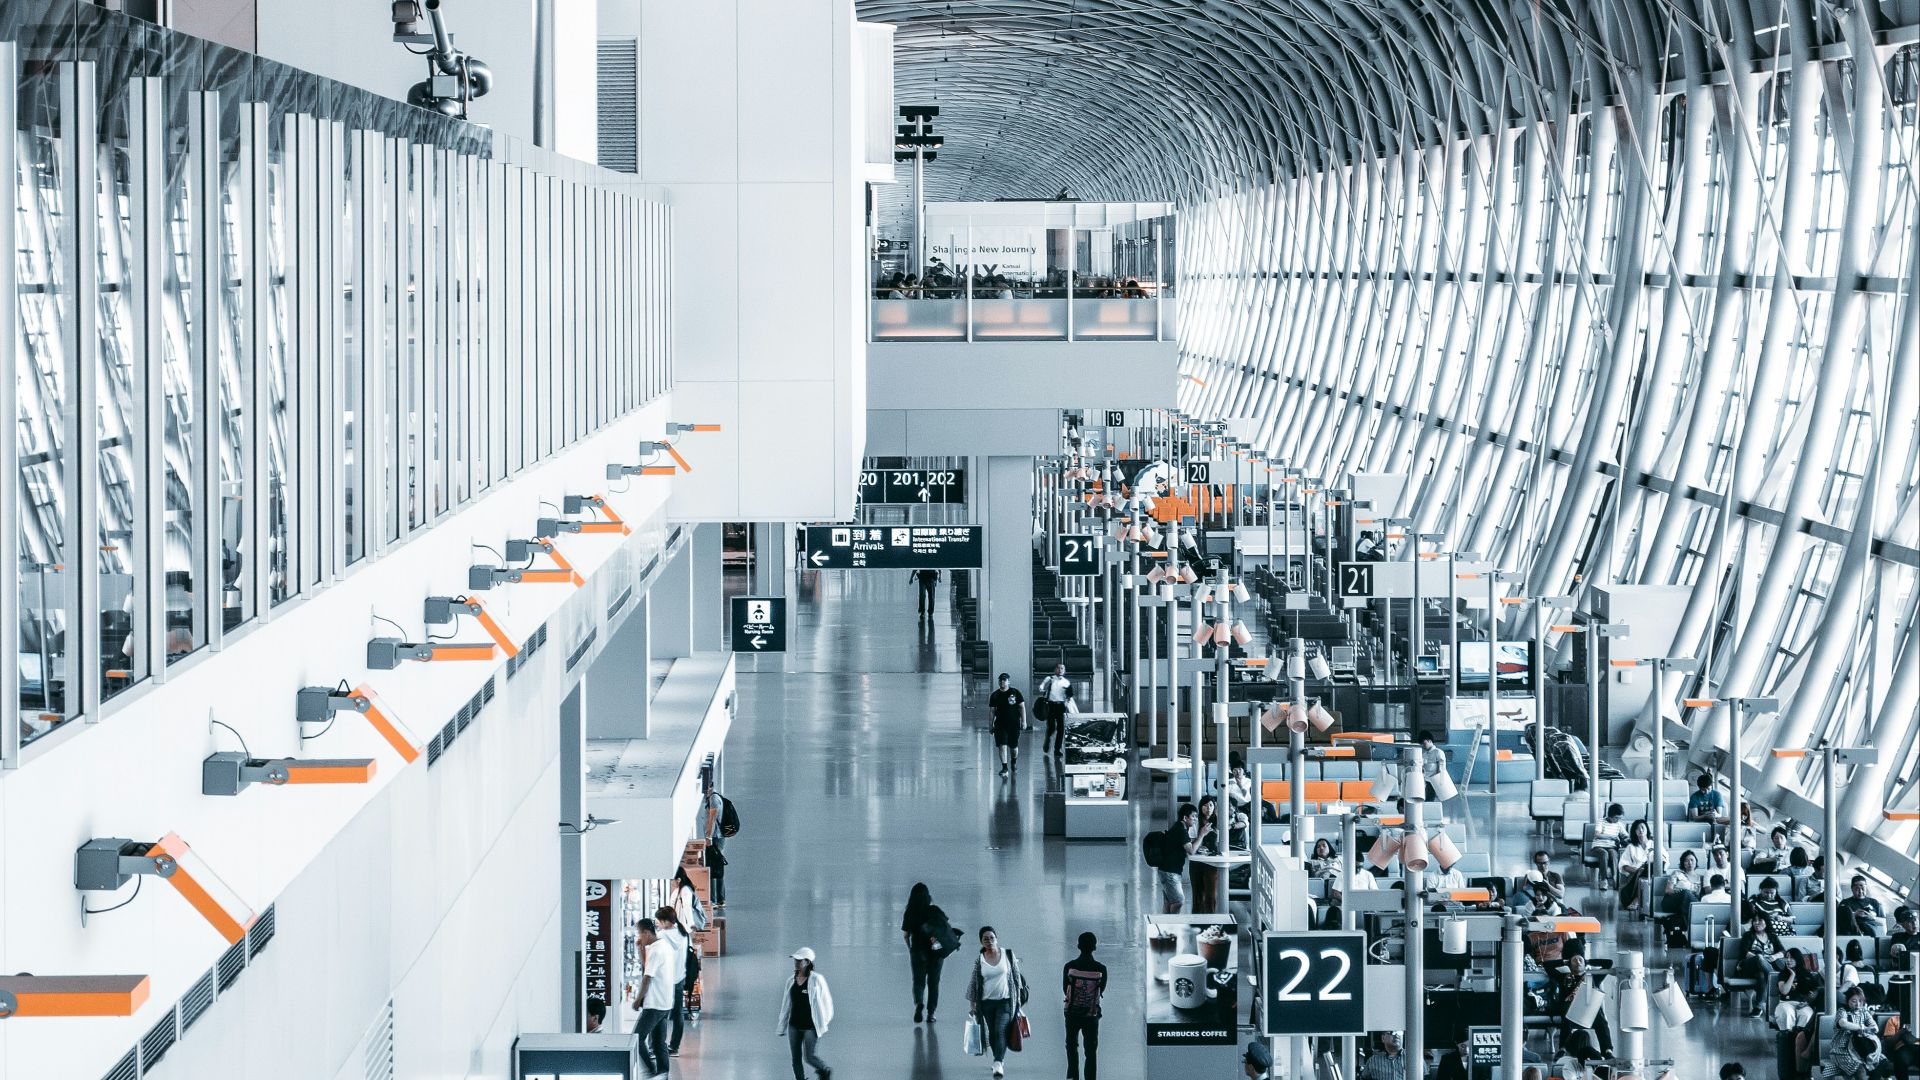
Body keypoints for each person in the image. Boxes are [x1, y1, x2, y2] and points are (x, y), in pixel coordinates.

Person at [965, 927, 1028, 1078]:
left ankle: (998, 1062)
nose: (989, 941)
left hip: (1006, 1002)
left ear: (996, 939)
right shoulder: (980, 960)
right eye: (985, 939)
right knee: (993, 1033)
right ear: (981, 941)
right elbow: (974, 982)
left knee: (1000, 1030)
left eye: (992, 938)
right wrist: (973, 1003)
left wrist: (1018, 1000)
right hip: (986, 1004)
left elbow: (1016, 978)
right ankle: (998, 1058)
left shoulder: (1008, 955)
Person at [775, 947, 834, 1080]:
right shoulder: (791, 981)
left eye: (799, 960)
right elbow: (786, 1005)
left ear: (807, 962)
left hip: (810, 1027)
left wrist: (823, 1021)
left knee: (809, 1057)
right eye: (795, 960)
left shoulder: (817, 980)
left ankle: (824, 1070)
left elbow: (827, 1003)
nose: (796, 963)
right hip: (794, 1026)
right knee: (796, 1058)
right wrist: (782, 1026)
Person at [902, 882, 957, 1023]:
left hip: (918, 952)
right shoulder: (935, 911)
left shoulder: (910, 912)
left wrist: (910, 949)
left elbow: (906, 935)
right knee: (934, 983)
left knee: (918, 982)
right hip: (936, 952)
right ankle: (931, 1013)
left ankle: (919, 1002)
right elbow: (945, 928)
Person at [631, 919, 673, 1077]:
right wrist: (641, 949)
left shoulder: (655, 950)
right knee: (658, 1042)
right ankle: (663, 1072)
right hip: (665, 1002)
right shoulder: (663, 946)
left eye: (640, 933)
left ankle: (650, 1071)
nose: (639, 936)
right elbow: (647, 966)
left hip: (654, 1004)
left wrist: (637, 999)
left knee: (637, 1038)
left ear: (646, 932)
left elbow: (647, 977)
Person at [1063, 932, 1107, 1080]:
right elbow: (1102, 990)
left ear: (1078, 946)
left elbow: (1065, 989)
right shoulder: (1101, 968)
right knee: (1090, 1050)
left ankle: (1072, 1076)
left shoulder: (1069, 966)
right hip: (1091, 1015)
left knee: (1071, 1046)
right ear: (1094, 947)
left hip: (1072, 1014)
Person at [1552, 954, 1613, 1057]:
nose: (1578, 962)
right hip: (1570, 1010)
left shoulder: (1593, 977)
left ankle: (1607, 1051)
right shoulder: (1563, 977)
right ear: (1570, 965)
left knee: (1601, 1020)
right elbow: (1547, 966)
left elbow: (1608, 963)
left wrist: (1588, 961)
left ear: (1584, 964)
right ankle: (1562, 1049)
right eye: (1574, 960)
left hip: (1589, 1011)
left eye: (1580, 960)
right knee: (1567, 1018)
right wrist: (1564, 962)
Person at [654, 906, 691, 1056]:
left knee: (659, 1013)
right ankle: (674, 1046)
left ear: (665, 921)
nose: (657, 923)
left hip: (665, 980)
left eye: (658, 920)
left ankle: (656, 1046)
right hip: (680, 978)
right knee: (678, 1014)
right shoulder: (684, 934)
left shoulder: (661, 936)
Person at [1160, 803, 1197, 914]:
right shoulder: (1181, 830)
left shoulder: (1178, 828)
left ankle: (1165, 925)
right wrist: (1202, 835)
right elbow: (1191, 850)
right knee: (1178, 901)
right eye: (1193, 816)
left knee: (1169, 902)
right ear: (1185, 818)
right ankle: (1171, 925)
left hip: (1166, 870)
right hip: (1170, 872)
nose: (1195, 819)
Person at [988, 673, 1026, 776]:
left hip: (1014, 724)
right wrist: (990, 725)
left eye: (1004, 680)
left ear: (1009, 681)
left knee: (1013, 747)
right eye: (1000, 680)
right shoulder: (995, 695)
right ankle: (1004, 768)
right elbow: (992, 711)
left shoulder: (1015, 693)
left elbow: (1021, 707)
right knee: (1002, 745)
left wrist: (1024, 721)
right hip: (1000, 724)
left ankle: (1013, 761)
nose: (1002, 682)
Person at [1659, 848, 1702, 936]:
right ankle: (1688, 931)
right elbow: (1668, 890)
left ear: (1696, 862)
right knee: (1686, 893)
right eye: (1686, 861)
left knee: (1688, 899)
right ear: (1683, 863)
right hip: (1672, 901)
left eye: (1692, 860)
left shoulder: (1701, 878)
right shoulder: (1677, 874)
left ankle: (1681, 930)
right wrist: (1681, 892)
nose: (1690, 863)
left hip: (1689, 905)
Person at [1616, 819, 1655, 914]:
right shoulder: (1631, 847)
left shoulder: (1654, 844)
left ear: (1647, 829)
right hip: (1635, 874)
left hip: (1652, 872)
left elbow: (1664, 860)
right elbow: (1623, 865)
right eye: (1637, 829)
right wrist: (1638, 871)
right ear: (1634, 832)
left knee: (1649, 866)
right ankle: (1637, 899)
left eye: (1642, 827)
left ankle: (1636, 900)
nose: (1640, 830)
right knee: (1642, 871)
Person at [1191, 796, 1222, 910]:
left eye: (1211, 805)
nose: (1208, 808)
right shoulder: (1195, 822)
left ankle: (1210, 918)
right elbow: (1191, 841)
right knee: (1197, 893)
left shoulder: (1219, 822)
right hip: (1197, 860)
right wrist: (1201, 834)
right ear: (1200, 807)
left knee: (1210, 894)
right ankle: (1197, 920)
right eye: (1205, 805)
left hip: (1212, 861)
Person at [1037, 664, 1074, 757]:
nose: (1060, 670)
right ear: (1055, 669)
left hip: (1061, 706)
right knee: (1051, 727)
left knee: (1061, 729)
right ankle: (1047, 740)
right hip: (1051, 705)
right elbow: (1041, 686)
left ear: (1064, 670)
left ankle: (1057, 749)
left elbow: (1070, 695)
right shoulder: (1050, 679)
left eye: (1062, 668)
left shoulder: (1066, 682)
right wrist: (1043, 689)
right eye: (1058, 668)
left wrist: (1068, 698)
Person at [702, 778, 728, 908]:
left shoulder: (713, 799)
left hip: (716, 838)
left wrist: (708, 837)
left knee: (713, 868)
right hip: (717, 837)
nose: (705, 790)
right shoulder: (712, 799)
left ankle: (715, 899)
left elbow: (712, 819)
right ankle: (718, 899)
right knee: (716, 867)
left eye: (707, 788)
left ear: (711, 787)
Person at [1589, 802, 1629, 885]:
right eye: (1616, 818)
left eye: (1619, 818)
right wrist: (1612, 837)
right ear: (1610, 816)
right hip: (1598, 846)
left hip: (1611, 847)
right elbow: (1597, 835)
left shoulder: (1619, 824)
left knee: (1613, 854)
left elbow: (1626, 836)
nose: (1617, 820)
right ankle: (1603, 879)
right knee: (1604, 853)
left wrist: (1626, 839)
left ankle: (1615, 877)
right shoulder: (1601, 821)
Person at [1417, 732, 1449, 798]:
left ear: (1430, 741)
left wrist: (1441, 781)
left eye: (1424, 743)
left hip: (1433, 781)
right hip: (1424, 780)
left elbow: (1442, 768)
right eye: (1422, 744)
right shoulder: (1424, 753)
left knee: (1430, 798)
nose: (1423, 745)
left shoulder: (1438, 752)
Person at [1224, 752, 1253, 816]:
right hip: (1234, 804)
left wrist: (1240, 784)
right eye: (1235, 770)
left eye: (1240, 769)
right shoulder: (1227, 779)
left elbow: (1247, 793)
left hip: (1248, 803)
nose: (1238, 772)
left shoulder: (1248, 780)